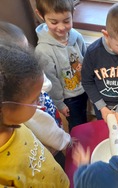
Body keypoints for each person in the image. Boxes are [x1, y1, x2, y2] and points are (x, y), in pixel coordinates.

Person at [0, 21, 71, 168]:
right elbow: (48, 131)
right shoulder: (27, 114)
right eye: (34, 99)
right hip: (50, 150)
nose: (27, 61)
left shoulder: (21, 99)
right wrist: (66, 141)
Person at [35, 0, 88, 132]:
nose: (61, 27)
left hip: (83, 90)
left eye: (66, 21)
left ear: (72, 14)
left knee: (83, 119)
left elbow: (86, 60)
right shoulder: (43, 50)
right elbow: (51, 81)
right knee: (76, 126)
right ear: (41, 15)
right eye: (54, 22)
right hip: (67, 99)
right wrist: (59, 103)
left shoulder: (77, 37)